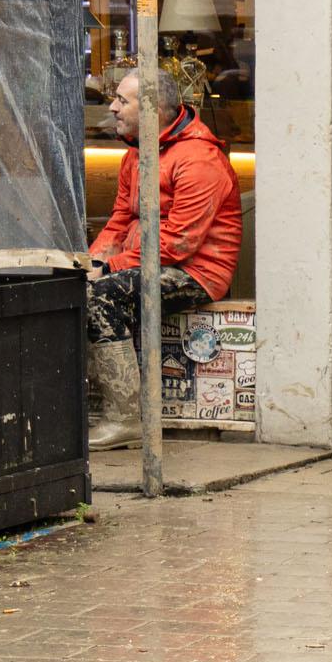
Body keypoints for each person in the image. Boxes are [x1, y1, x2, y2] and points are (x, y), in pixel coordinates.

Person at [84, 68, 243, 449]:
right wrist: (89, 263)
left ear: (153, 109)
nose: (113, 107)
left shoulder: (199, 159)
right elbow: (121, 218)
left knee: (101, 295)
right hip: (148, 261)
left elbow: (178, 244)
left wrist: (109, 269)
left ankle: (125, 419)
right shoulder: (137, 152)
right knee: (77, 285)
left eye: (123, 100)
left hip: (194, 272)